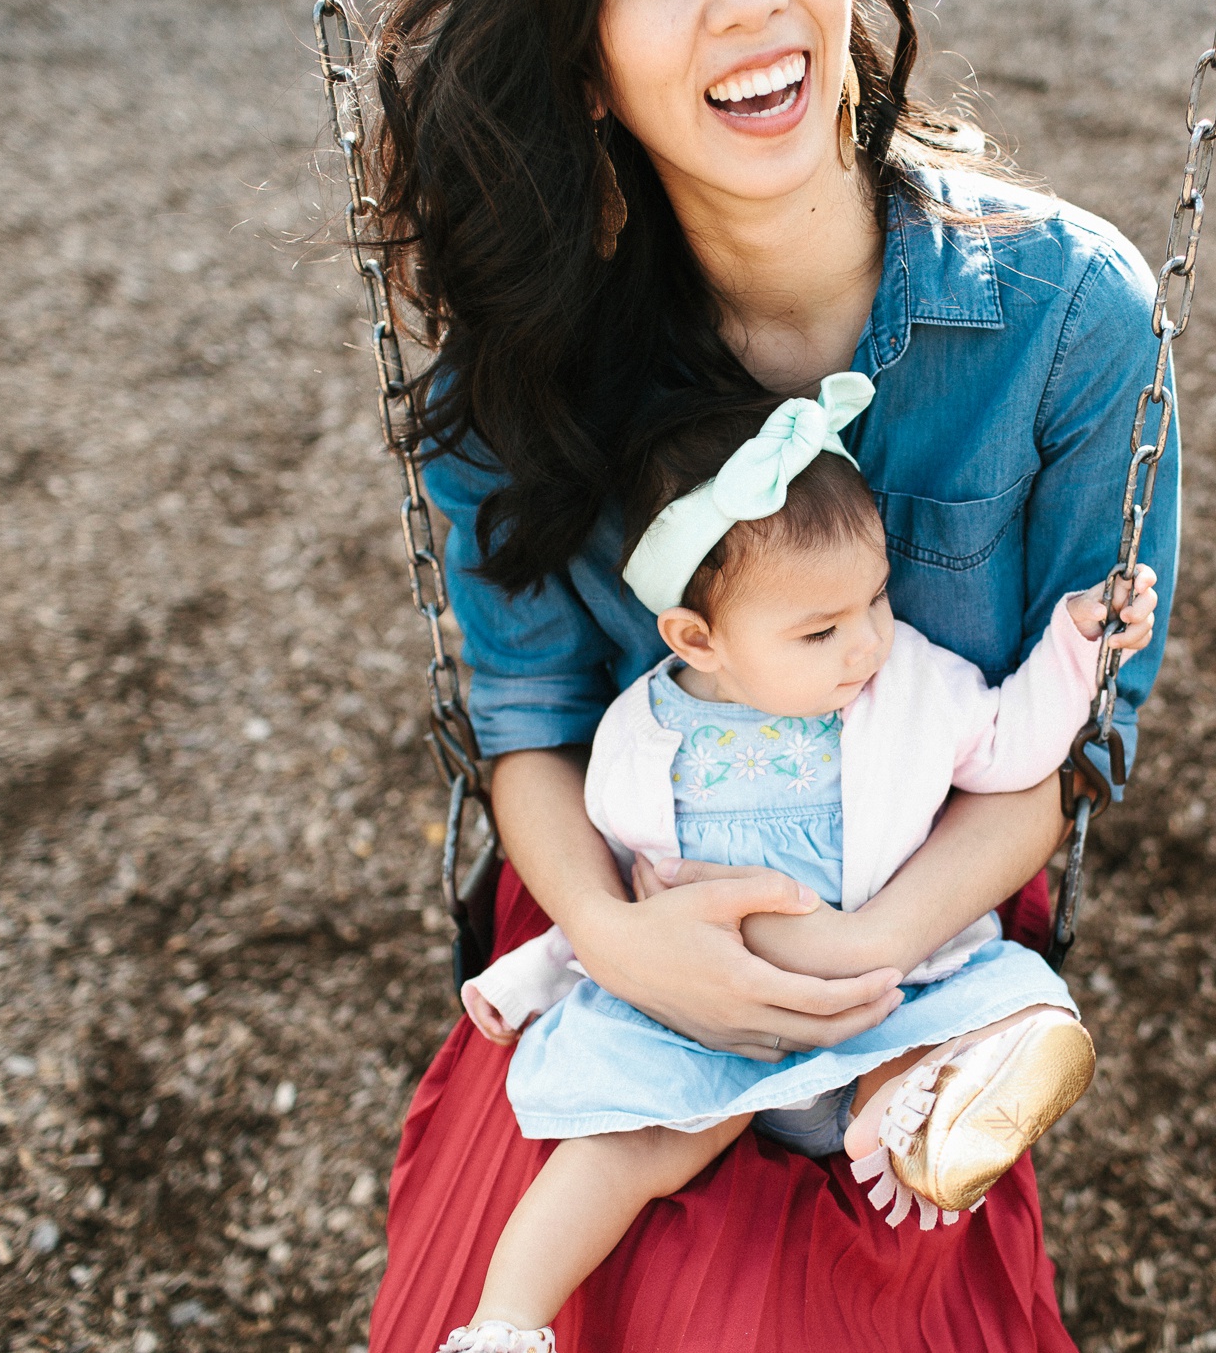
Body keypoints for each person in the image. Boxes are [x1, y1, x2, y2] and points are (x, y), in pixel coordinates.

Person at [362, 0, 1179, 1347]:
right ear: (579, 67)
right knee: (568, 1249)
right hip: (627, 901)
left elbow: (1067, 743)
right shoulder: (525, 364)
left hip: (919, 903)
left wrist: (862, 947)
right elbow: (530, 727)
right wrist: (622, 941)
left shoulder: (1066, 321)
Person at [437, 376, 1159, 1352]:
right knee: (615, 1152)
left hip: (887, 985)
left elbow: (1010, 747)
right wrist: (536, 972)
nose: (864, 643)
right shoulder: (640, 740)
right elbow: (623, 883)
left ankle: (909, 1117)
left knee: (1004, 1001)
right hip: (701, 1015)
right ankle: (504, 1324)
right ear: (699, 641)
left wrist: (1075, 652)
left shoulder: (909, 687)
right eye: (819, 631)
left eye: (874, 600)